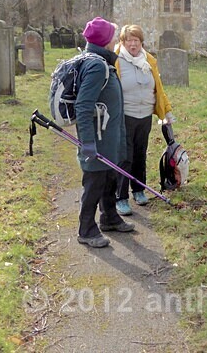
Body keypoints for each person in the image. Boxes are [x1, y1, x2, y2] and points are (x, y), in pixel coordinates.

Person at [75, 16, 134, 248]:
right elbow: (83, 105)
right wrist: (87, 142)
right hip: (97, 140)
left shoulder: (101, 61)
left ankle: (109, 216)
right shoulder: (96, 65)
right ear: (105, 41)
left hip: (108, 137)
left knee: (109, 177)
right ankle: (86, 229)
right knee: (95, 183)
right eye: (112, 36)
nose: (115, 41)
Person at [114, 24, 175, 215]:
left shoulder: (148, 60)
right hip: (124, 116)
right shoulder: (116, 59)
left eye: (137, 40)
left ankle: (138, 190)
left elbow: (158, 87)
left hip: (145, 115)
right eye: (129, 40)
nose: (133, 44)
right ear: (123, 42)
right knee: (125, 157)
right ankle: (121, 197)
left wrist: (166, 111)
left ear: (141, 42)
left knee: (140, 153)